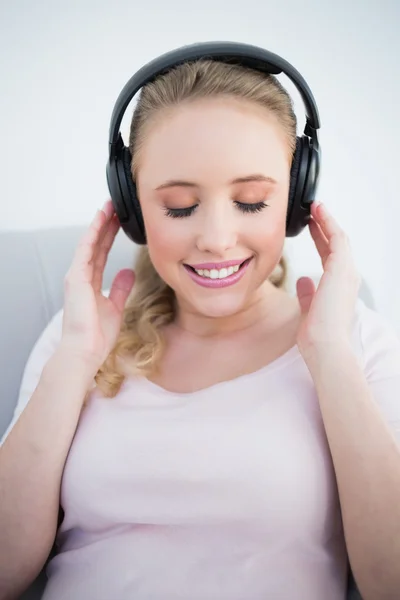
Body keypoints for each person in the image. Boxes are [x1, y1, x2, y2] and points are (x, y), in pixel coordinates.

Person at [1, 46, 400, 600]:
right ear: (133, 210)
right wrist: (74, 360)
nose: (215, 237)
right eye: (181, 207)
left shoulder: (357, 343)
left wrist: (330, 356)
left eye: (254, 202)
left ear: (296, 201)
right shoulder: (78, 336)